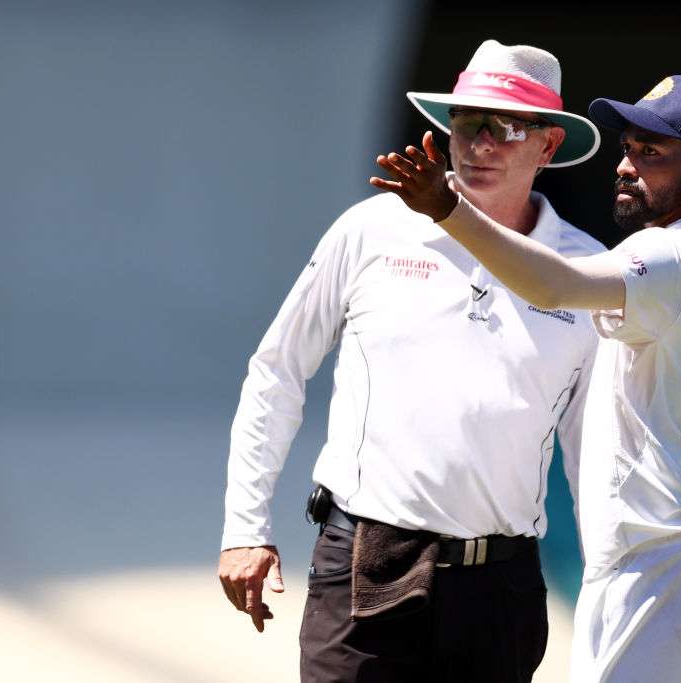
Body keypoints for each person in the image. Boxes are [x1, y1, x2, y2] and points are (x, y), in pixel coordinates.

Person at [217, 39, 605, 682]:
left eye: (506, 126)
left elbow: (594, 448)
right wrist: (243, 527)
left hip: (500, 589)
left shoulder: (587, 271)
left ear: (548, 145)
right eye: (467, 123)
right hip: (363, 561)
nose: (481, 143)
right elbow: (277, 369)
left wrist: (604, 584)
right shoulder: (372, 229)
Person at [372, 74, 681, 682]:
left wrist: (449, 210)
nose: (626, 166)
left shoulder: (672, 256)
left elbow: (555, 285)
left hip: (659, 555)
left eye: (652, 153)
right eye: (629, 148)